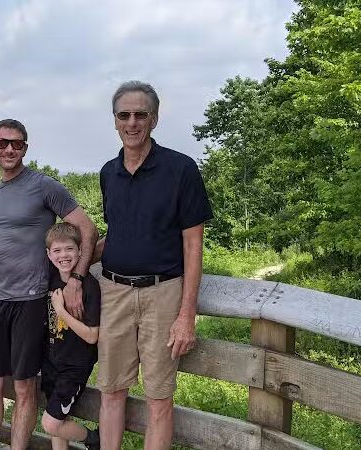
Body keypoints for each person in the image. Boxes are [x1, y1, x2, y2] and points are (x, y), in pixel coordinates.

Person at [95, 81, 213, 450]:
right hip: (113, 291)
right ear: (115, 120)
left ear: (154, 119)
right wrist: (71, 270)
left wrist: (186, 314)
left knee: (159, 398)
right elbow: (117, 233)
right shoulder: (108, 172)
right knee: (111, 390)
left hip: (163, 293)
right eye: (124, 115)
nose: (132, 122)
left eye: (140, 115)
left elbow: (194, 245)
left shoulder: (181, 169)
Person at [0, 119, 98, 450]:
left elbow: (87, 230)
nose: (9, 149)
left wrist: (76, 279)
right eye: (2, 143)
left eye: (17, 144)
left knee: (24, 389)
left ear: (25, 148)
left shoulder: (44, 186)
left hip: (30, 302)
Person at [41, 223, 101, 450]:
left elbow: (92, 336)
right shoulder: (50, 277)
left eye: (69, 249)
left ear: (80, 251)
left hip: (74, 367)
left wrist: (61, 310)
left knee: (50, 424)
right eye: (57, 251)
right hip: (51, 362)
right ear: (49, 255)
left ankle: (95, 440)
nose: (63, 255)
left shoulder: (89, 286)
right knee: (57, 422)